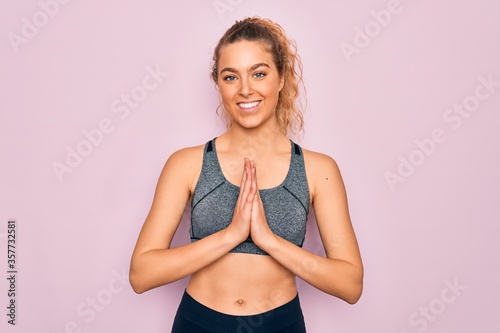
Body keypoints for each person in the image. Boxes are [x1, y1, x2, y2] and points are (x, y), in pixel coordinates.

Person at [129, 17, 363, 333]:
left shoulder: (318, 170)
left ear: (281, 78)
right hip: (199, 323)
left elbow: (350, 285)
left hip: (280, 324)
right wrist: (231, 234)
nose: (245, 89)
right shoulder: (187, 163)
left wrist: (268, 239)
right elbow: (142, 274)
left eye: (259, 73)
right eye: (230, 77)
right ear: (218, 84)